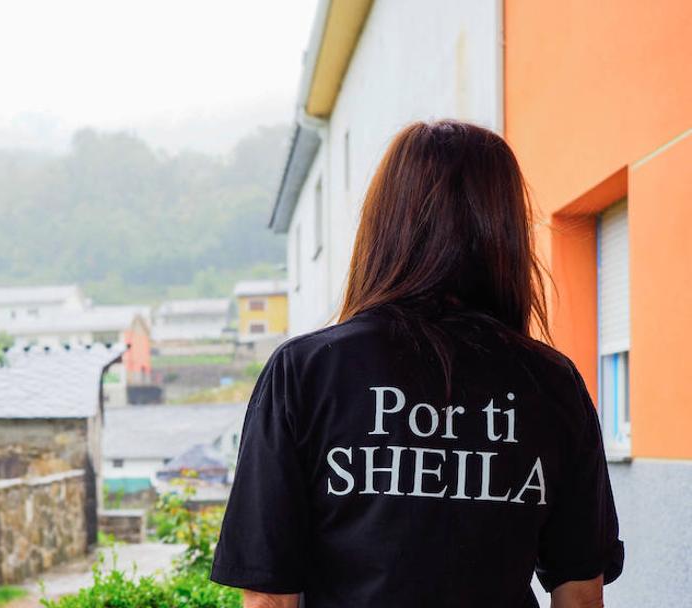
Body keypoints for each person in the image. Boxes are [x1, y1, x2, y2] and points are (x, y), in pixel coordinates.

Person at [209, 121, 624, 607]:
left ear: (384, 224)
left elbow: (268, 598)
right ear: (505, 229)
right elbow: (579, 595)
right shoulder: (552, 385)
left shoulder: (306, 373)